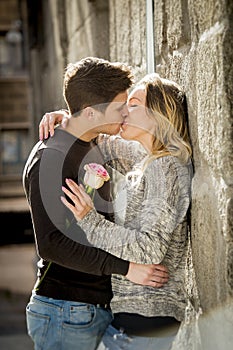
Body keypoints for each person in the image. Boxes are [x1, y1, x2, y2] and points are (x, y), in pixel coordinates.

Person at [39, 72, 193, 350]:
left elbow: (150, 249)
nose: (124, 111)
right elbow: (100, 139)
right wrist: (69, 118)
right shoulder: (148, 159)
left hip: (145, 320)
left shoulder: (166, 168)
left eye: (133, 104)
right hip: (132, 319)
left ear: (158, 115)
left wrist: (90, 221)